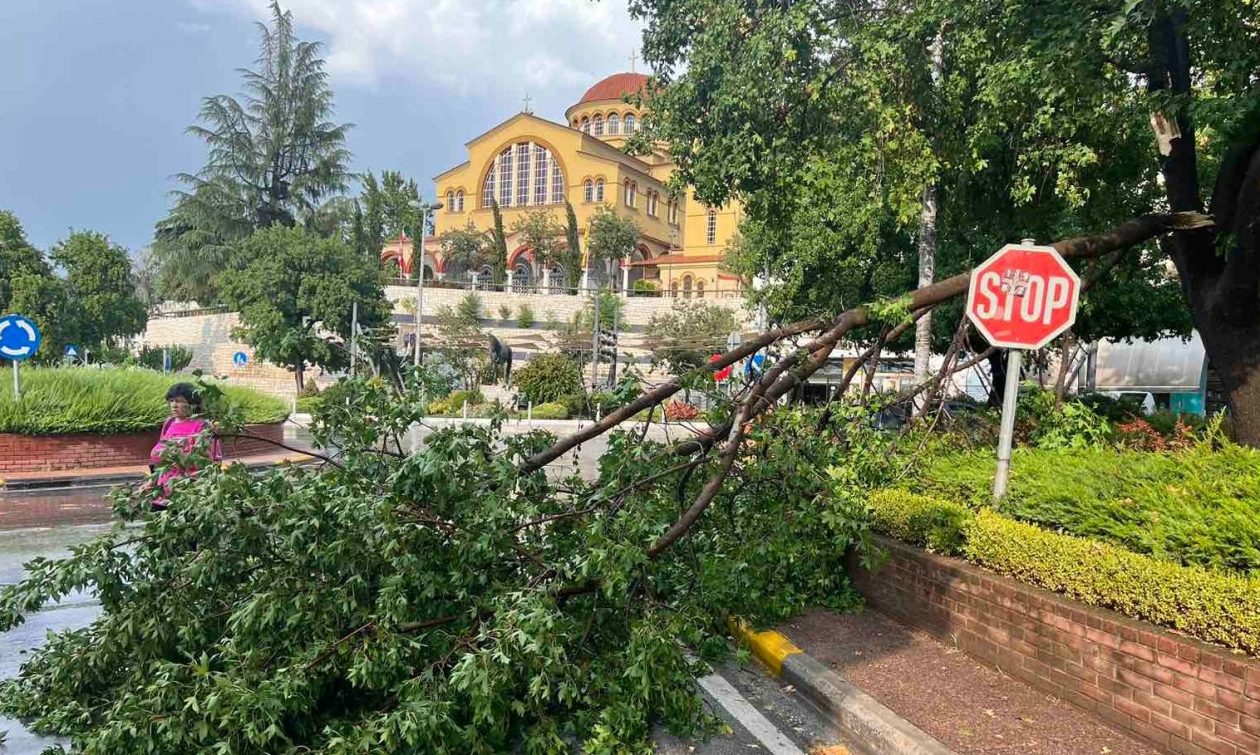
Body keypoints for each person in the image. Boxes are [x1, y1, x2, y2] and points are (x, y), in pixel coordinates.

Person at [148, 383, 223, 507]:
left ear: (193, 403)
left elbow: (209, 463)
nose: (174, 405)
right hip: (162, 496)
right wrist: (150, 483)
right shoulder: (169, 423)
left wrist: (178, 454)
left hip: (189, 497)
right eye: (171, 401)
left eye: (179, 401)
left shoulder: (202, 426)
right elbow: (161, 463)